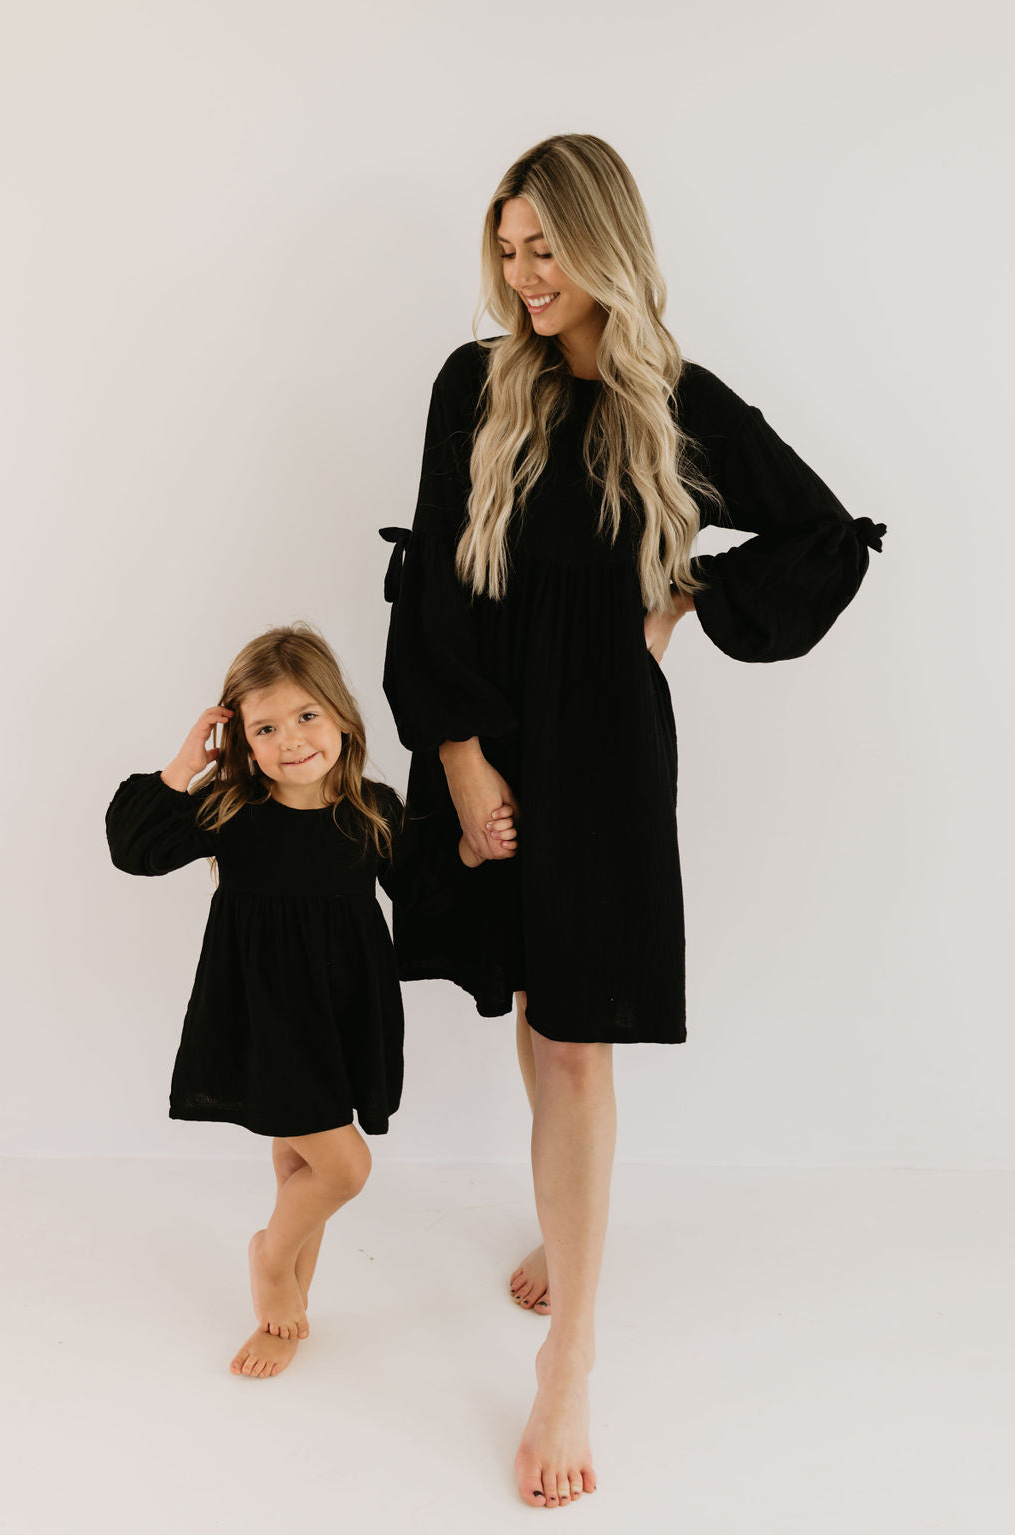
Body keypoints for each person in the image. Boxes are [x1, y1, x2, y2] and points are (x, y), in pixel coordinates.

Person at [381, 134, 886, 1507]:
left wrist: (689, 600)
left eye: (547, 246)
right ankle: (572, 1225)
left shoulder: (679, 401)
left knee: (577, 1038)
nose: (523, 273)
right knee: (532, 1003)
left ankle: (572, 1347)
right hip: (487, 732)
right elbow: (431, 583)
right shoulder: (471, 386)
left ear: (604, 241)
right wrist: (465, 761)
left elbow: (824, 534)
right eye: (508, 245)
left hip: (606, 751)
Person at [106, 622, 514, 1380]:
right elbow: (133, 848)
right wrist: (180, 766)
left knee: (303, 1166)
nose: (291, 740)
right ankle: (269, 1260)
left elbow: (424, 895)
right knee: (345, 1168)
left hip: (339, 1013)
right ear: (241, 743)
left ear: (341, 719)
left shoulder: (372, 809)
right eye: (265, 727)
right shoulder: (230, 810)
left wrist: (470, 848)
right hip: (267, 1017)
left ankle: (285, 1319)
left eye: (306, 717)